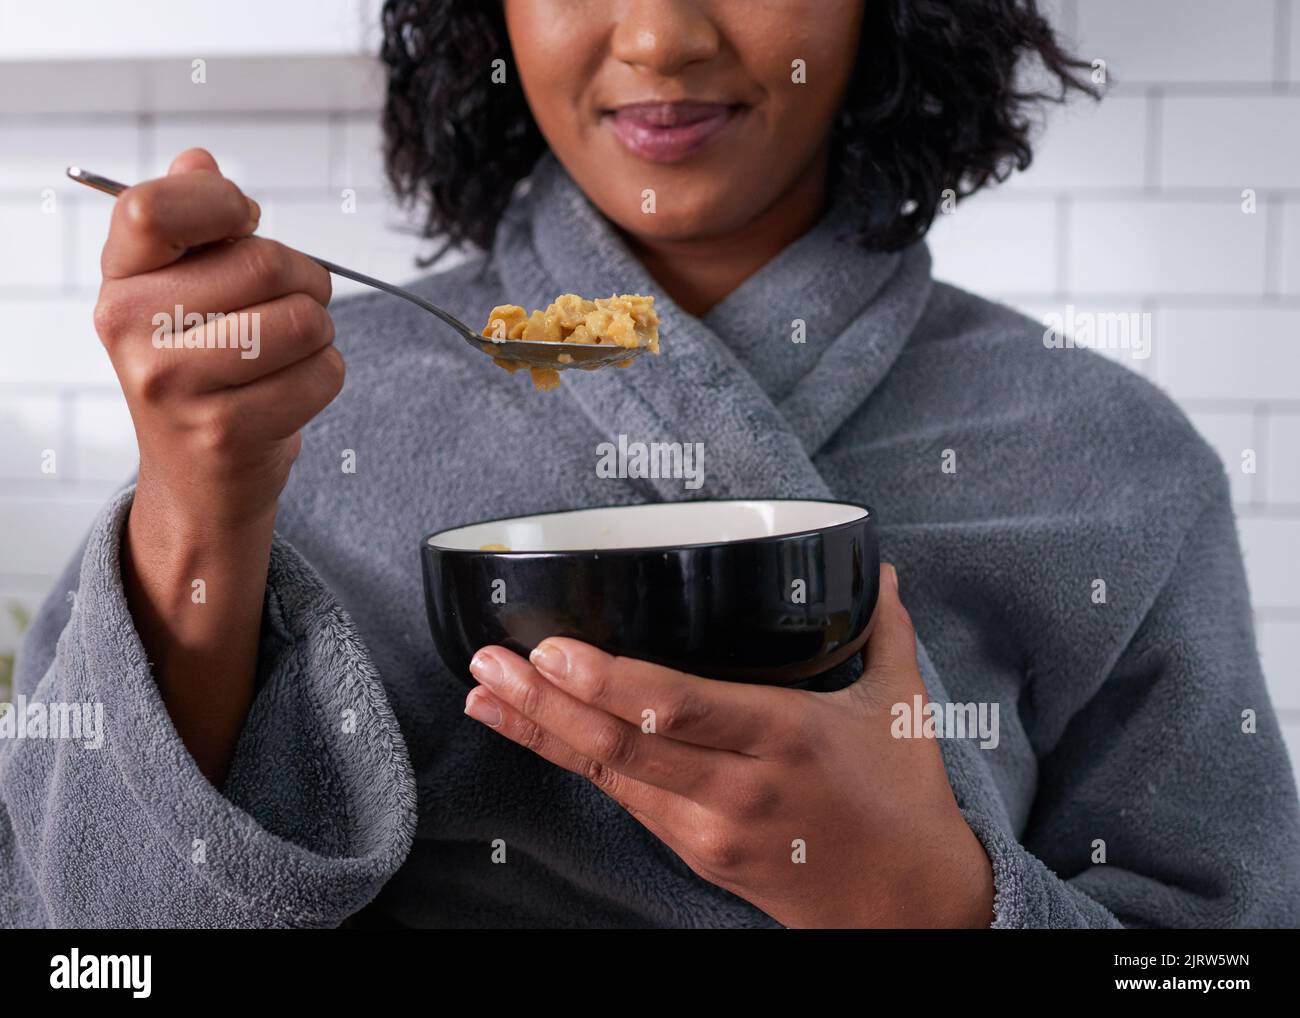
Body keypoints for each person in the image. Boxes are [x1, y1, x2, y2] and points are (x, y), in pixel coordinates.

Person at [5, 0, 1298, 928]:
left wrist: (928, 901)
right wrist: (194, 515)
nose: (662, 37)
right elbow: (82, 928)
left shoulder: (1114, 459)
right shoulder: (293, 410)